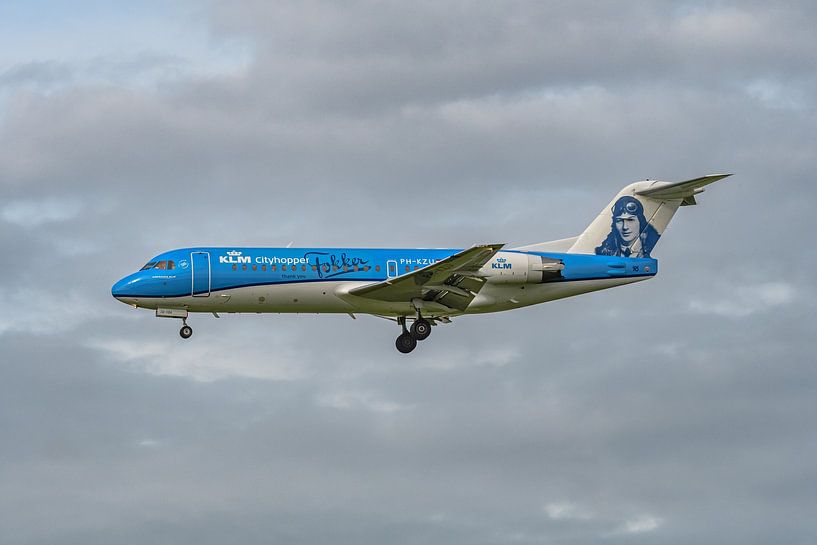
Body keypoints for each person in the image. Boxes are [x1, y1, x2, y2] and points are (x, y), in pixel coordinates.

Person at [594, 196, 660, 257]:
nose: (625, 227)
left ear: (640, 222)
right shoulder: (603, 253)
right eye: (619, 220)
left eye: (630, 220)